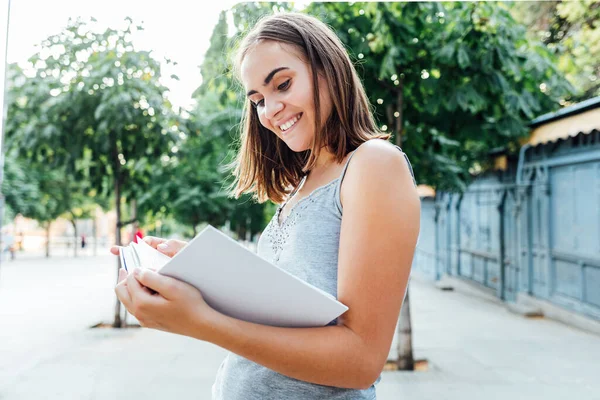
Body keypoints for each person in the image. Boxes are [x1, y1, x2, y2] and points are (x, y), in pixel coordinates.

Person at [112, 12, 420, 399]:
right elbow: (286, 309)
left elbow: (361, 361)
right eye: (257, 100)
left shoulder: (374, 164)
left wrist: (200, 321)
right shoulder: (302, 184)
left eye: (283, 84)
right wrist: (199, 272)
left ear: (327, 69)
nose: (270, 110)